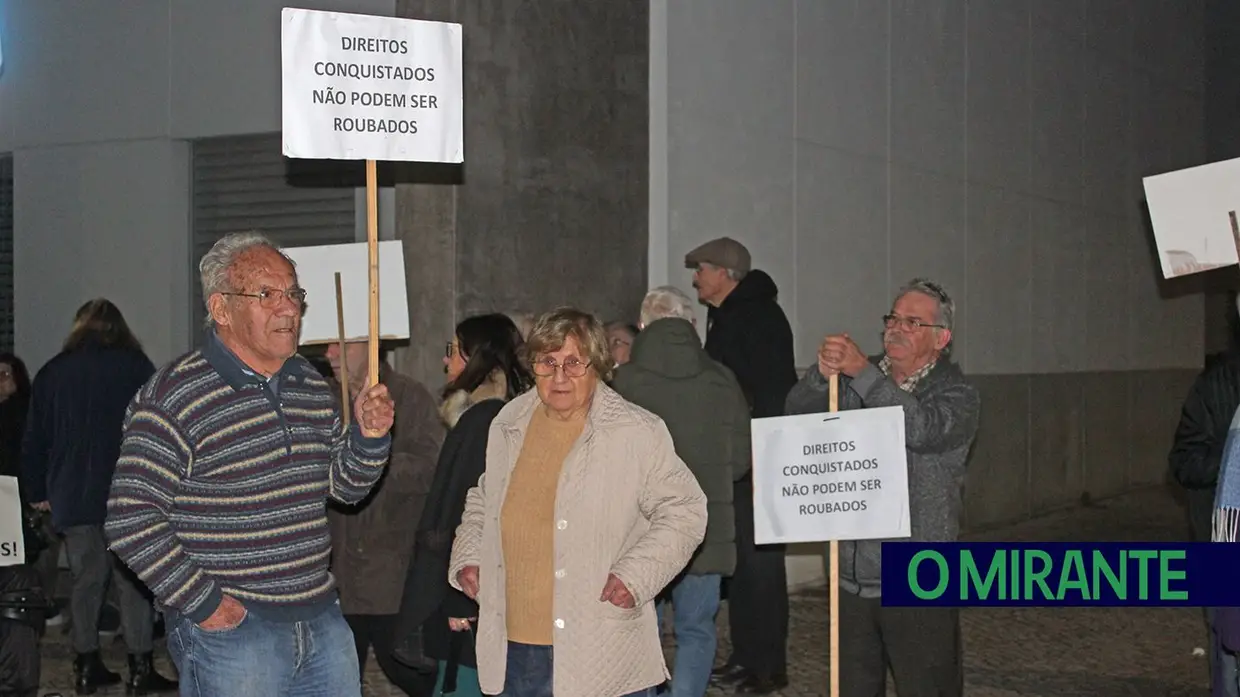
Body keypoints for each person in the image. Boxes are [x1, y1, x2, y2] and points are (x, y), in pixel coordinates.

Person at [104, 232, 396, 697]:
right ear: (222, 309)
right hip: (234, 634)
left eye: (293, 293)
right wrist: (207, 605)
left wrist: (368, 437)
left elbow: (345, 489)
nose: (289, 308)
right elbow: (131, 517)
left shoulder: (309, 385)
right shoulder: (175, 396)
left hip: (320, 619)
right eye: (267, 295)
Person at [447, 308, 708, 697]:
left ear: (599, 366)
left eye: (573, 363)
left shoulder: (636, 431)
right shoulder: (509, 422)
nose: (559, 376)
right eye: (547, 362)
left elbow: (685, 510)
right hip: (514, 643)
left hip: (598, 645)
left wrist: (636, 574)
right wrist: (470, 554)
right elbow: (485, 496)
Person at [786, 278, 980, 697]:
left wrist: (862, 374)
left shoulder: (957, 393)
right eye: (893, 317)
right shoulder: (862, 377)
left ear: (941, 338)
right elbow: (796, 417)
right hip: (853, 576)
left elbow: (920, 428)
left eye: (913, 322)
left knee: (928, 687)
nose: (896, 327)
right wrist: (821, 378)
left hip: (919, 575)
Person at [21, 299, 176, 695]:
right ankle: (140, 668)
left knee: (86, 581)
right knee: (133, 584)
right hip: (127, 492)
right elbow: (158, 430)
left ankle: (85, 663)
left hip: (72, 492)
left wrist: (37, 490)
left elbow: (36, 438)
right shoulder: (137, 367)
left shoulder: (54, 372)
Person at [611, 287, 750, 697]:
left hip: (639, 530)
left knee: (640, 629)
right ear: (692, 325)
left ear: (641, 326)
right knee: (696, 630)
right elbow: (741, 460)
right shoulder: (723, 380)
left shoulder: (623, 382)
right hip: (705, 530)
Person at [396, 313, 534, 697]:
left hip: (471, 591)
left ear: (476, 358)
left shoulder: (483, 420)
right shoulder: (505, 414)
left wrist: (458, 596)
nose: (445, 360)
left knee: (466, 682)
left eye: (452, 350)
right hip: (483, 588)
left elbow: (470, 511)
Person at [684, 236, 796, 693]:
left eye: (703, 269)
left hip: (758, 457)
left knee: (761, 564)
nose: (696, 278)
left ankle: (765, 667)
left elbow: (769, 388)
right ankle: (747, 657)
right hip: (744, 454)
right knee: (746, 566)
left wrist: (758, 453)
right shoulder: (729, 314)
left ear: (726, 273)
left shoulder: (755, 315)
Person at [325, 340, 445, 696]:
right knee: (336, 680)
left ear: (370, 345)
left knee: (408, 670)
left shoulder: (410, 396)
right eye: (327, 346)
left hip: (391, 574)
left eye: (340, 346)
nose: (330, 354)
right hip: (333, 575)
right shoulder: (323, 400)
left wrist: (370, 457)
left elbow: (431, 468)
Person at [1169, 294, 1240, 696]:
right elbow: (1183, 462)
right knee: (1228, 662)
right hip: (1226, 549)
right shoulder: (1217, 384)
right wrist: (1233, 457)